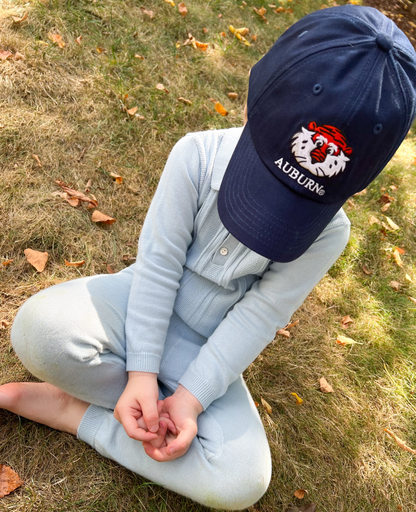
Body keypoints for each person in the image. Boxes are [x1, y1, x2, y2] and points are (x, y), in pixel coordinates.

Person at [2, 5, 416, 510]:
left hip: (206, 353)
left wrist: (192, 400)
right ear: (253, 95)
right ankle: (133, 397)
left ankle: (77, 413)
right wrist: (139, 375)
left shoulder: (329, 232)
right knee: (36, 330)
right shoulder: (196, 156)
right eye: (264, 177)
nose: (272, 209)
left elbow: (262, 314)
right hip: (138, 308)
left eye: (299, 201)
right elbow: (157, 268)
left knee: (241, 482)